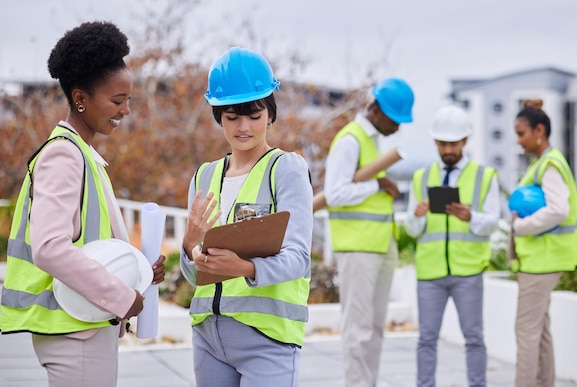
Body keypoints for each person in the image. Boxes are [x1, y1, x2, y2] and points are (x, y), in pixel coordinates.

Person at [0, 21, 166, 387]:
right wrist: (122, 297)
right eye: (117, 101)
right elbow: (50, 249)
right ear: (80, 99)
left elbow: (88, 244)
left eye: (128, 100)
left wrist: (138, 271)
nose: (125, 110)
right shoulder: (64, 155)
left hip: (83, 325)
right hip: (75, 332)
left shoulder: (82, 153)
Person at [179, 46, 313, 387]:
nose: (244, 127)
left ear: (270, 113)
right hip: (208, 337)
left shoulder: (286, 169)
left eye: (254, 115)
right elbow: (194, 274)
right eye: (232, 117)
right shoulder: (204, 176)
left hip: (267, 339)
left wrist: (245, 268)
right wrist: (188, 246)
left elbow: (298, 259)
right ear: (218, 116)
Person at [324, 77, 415, 387]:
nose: (399, 128)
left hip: (379, 245)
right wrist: (375, 184)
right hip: (358, 247)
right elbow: (334, 194)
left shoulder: (373, 141)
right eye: (396, 119)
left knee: (374, 328)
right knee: (358, 329)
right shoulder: (350, 140)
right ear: (376, 110)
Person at [405, 105, 500, 387]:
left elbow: (493, 222)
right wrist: (417, 215)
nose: (448, 149)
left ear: (465, 141)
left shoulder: (485, 176)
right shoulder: (420, 178)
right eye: (443, 143)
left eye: (453, 143)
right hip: (430, 272)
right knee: (426, 339)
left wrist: (470, 216)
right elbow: (411, 228)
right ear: (435, 142)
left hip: (468, 271)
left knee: (474, 338)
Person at [510, 99, 577, 387]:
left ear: (539, 130)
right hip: (543, 260)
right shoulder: (546, 162)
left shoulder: (550, 164)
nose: (518, 141)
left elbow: (558, 210)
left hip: (542, 261)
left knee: (526, 333)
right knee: (539, 332)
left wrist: (520, 227)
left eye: (521, 134)